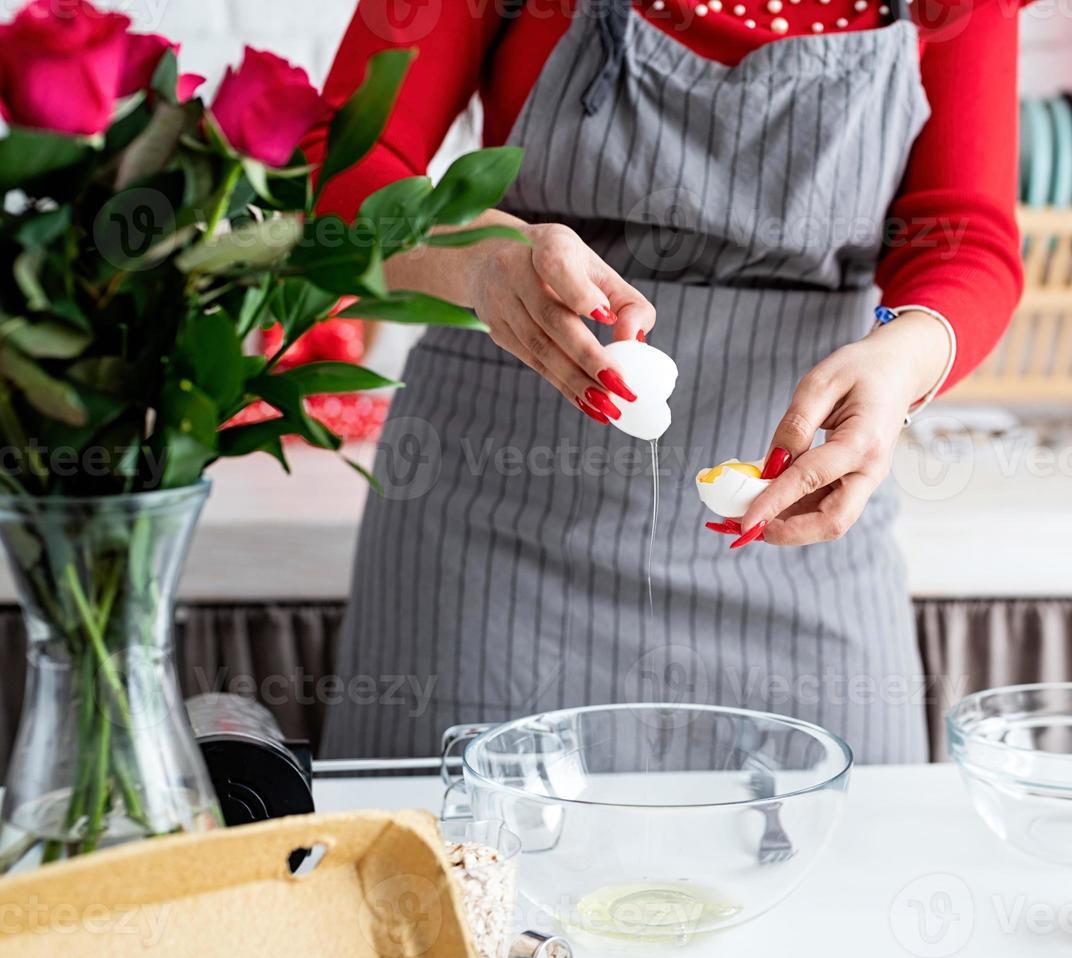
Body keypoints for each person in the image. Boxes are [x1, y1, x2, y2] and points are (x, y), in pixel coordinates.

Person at [309, 0, 1023, 763]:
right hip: (495, 536)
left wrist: (901, 359)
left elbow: (965, 235)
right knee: (461, 863)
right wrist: (479, 254)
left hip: (793, 524)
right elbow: (336, 167)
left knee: (845, 852)